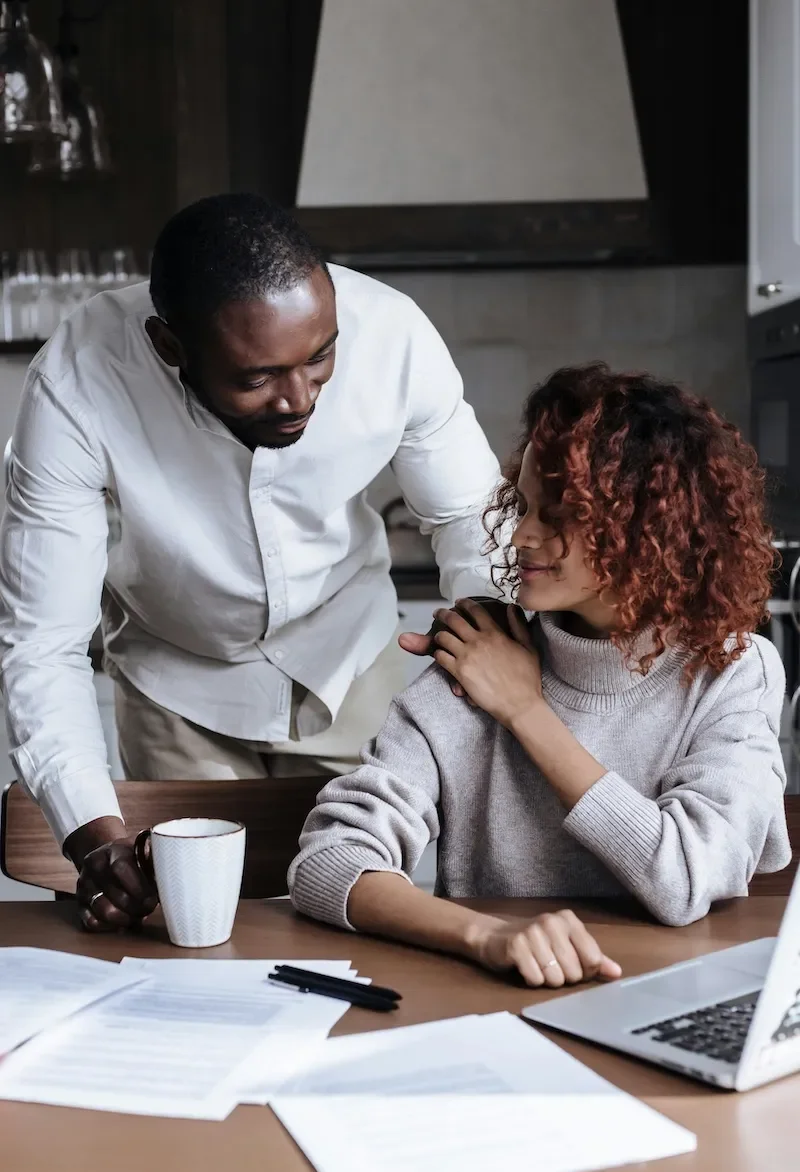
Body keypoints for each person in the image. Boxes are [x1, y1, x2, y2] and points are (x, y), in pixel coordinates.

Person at [0, 193, 500, 932]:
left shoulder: (394, 336)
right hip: (180, 684)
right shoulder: (77, 383)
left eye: (321, 356)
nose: (300, 396)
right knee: (196, 933)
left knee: (361, 914)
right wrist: (89, 830)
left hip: (350, 663)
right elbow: (43, 641)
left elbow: (469, 518)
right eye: (257, 377)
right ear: (171, 347)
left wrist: (493, 645)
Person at [289, 363, 791, 988]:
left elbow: (685, 877)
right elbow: (330, 862)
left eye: (558, 516)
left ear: (644, 530)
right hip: (499, 1000)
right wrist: (486, 935)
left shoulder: (731, 671)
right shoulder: (480, 656)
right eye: (525, 505)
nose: (523, 535)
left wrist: (527, 712)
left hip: (679, 992)